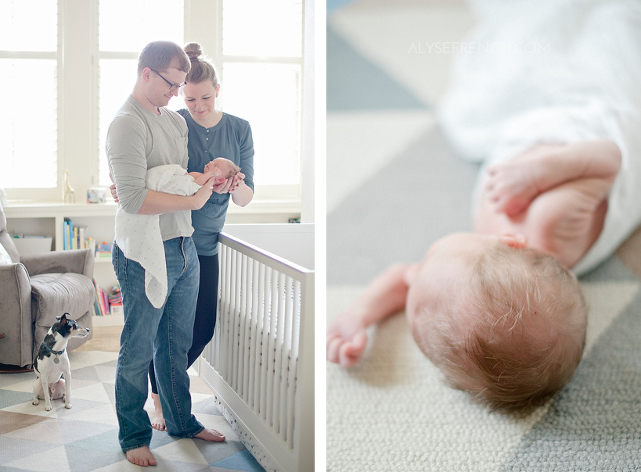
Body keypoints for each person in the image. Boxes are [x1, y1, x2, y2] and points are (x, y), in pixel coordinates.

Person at [327, 139, 622, 412]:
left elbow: (404, 278)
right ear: (510, 241)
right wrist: (537, 173)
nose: (412, 270)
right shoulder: (553, 222)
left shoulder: (474, 274)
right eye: (425, 262)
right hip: (570, 126)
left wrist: (358, 315)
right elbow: (610, 156)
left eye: (425, 265)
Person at [107, 40, 225, 467]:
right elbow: (134, 198)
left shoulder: (173, 121)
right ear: (146, 74)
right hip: (145, 253)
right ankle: (133, 434)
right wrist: (194, 201)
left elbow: (177, 178)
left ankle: (181, 421)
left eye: (181, 85)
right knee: (138, 348)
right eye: (172, 85)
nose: (177, 94)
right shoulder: (127, 124)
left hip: (183, 245)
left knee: (175, 345)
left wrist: (206, 180)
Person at [148, 42, 254, 431]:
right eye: (190, 98)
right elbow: (164, 178)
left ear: (218, 90)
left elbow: (245, 198)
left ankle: (159, 382)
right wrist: (204, 180)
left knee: (202, 328)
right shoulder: (175, 122)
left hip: (207, 242)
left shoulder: (239, 129)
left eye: (205, 97)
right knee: (168, 329)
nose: (198, 106)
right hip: (175, 237)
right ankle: (161, 399)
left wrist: (234, 178)